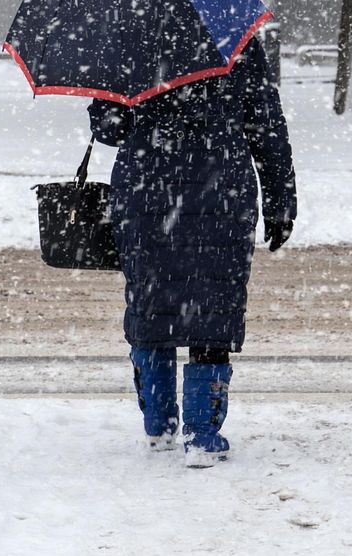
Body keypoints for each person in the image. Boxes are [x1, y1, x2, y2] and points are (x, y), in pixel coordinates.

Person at [89, 37, 296, 468]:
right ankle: (202, 433)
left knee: (152, 304)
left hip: (147, 189)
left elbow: (109, 129)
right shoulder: (236, 42)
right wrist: (281, 198)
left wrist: (120, 99)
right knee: (212, 308)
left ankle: (159, 424)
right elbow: (265, 124)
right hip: (221, 188)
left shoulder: (131, 37)